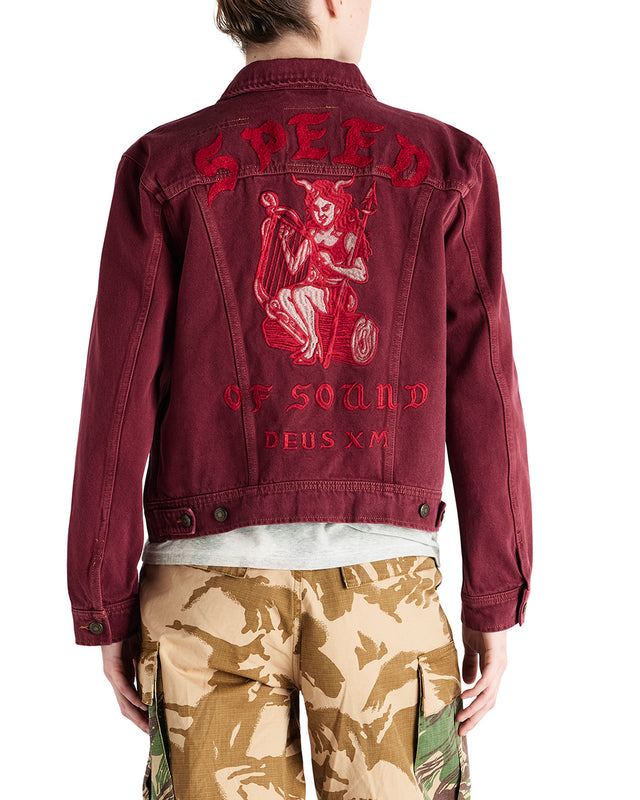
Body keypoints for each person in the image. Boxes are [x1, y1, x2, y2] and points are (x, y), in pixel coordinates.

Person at [66, 1, 533, 797]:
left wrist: (102, 599)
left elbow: (116, 397)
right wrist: (494, 591)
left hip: (203, 595)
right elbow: (485, 387)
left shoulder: (162, 165)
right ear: (331, 1)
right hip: (384, 594)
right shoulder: (448, 164)